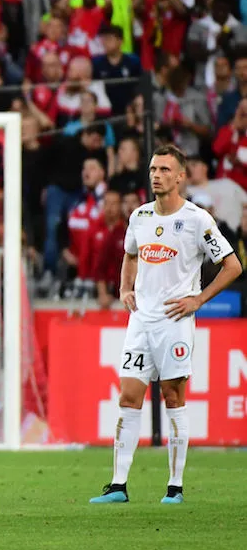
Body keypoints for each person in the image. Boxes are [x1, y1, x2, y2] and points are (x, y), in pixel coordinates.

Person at [90, 144, 242, 505]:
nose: (156, 175)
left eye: (163, 170)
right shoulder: (139, 217)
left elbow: (233, 266)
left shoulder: (197, 220)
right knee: (128, 396)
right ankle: (118, 485)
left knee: (173, 397)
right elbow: (130, 255)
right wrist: (125, 287)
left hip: (175, 321)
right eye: (153, 169)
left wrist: (198, 300)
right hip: (140, 321)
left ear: (180, 176)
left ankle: (175, 487)